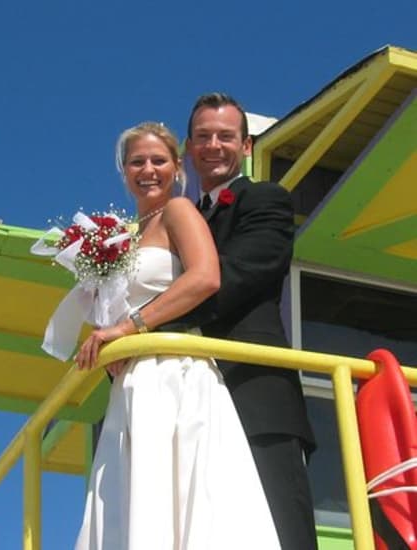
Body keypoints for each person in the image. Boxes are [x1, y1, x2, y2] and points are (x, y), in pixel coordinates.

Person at [74, 122, 281, 549]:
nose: (148, 170)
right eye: (137, 162)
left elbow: (206, 277)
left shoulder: (179, 212)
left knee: (184, 499)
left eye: (158, 160)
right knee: (130, 504)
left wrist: (129, 327)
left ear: (176, 167)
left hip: (175, 373)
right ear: (123, 170)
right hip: (131, 385)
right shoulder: (122, 239)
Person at [160, 93, 318, 549]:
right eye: (204, 136)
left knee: (281, 530)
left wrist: (150, 323)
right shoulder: (178, 220)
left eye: (225, 136)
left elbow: (242, 272)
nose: (214, 145)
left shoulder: (267, 198)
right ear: (189, 148)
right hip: (186, 403)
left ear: (246, 147)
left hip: (255, 394)